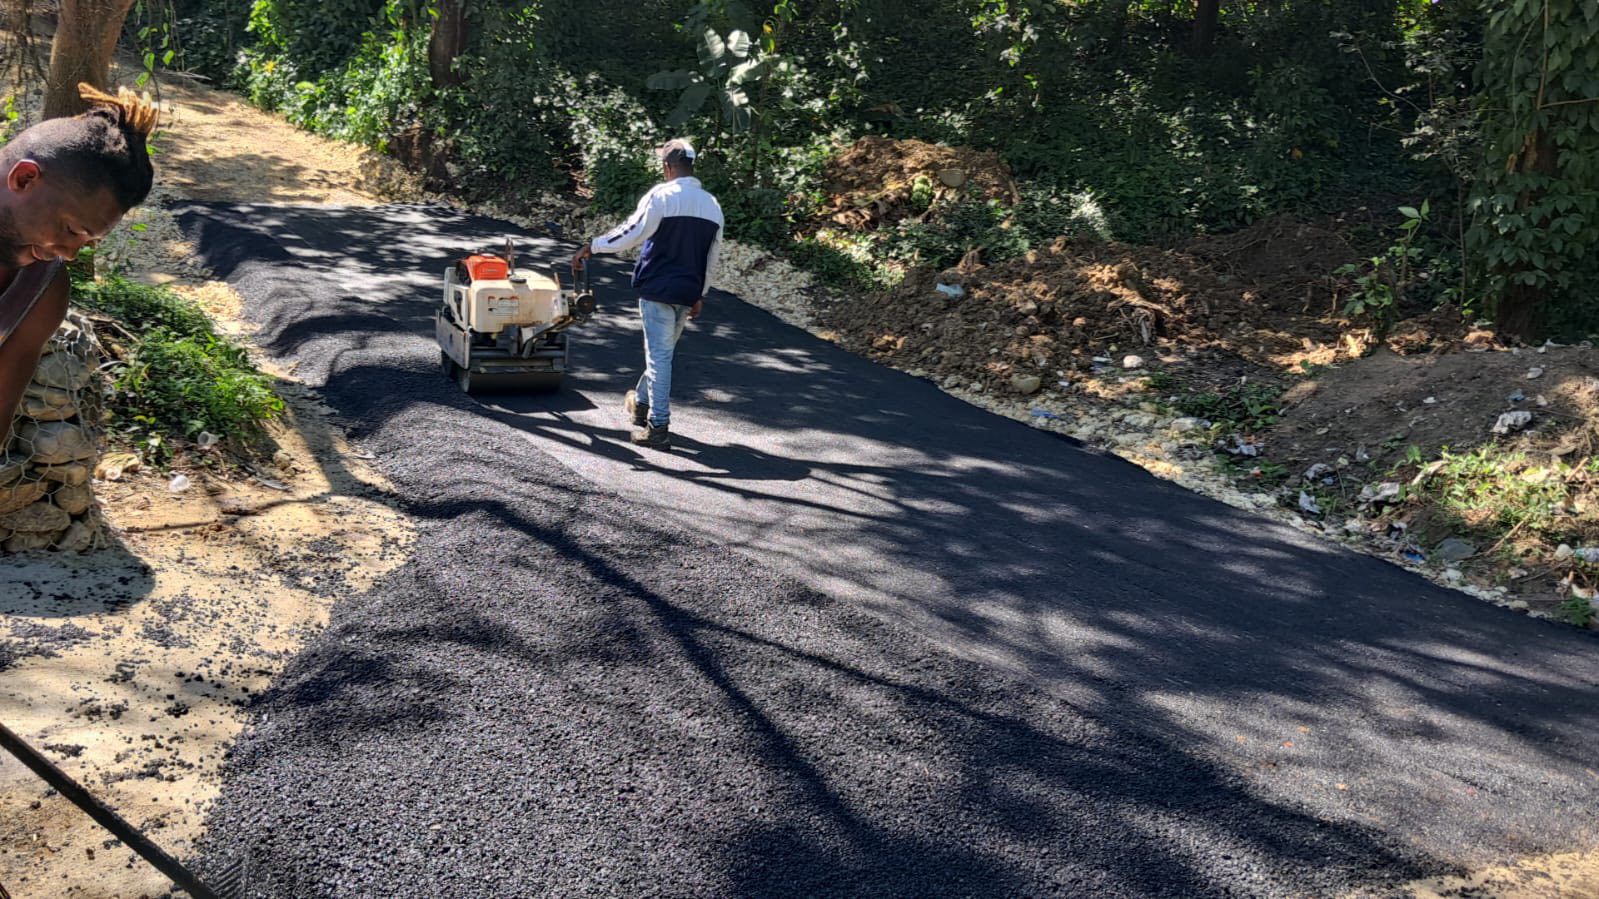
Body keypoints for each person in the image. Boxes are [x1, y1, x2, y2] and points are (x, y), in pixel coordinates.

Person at [0, 84, 157, 448]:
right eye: (70, 229)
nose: (69, 253)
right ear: (24, 179)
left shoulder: (41, 290)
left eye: (86, 241)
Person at [573, 138, 723, 449]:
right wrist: (701, 293)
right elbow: (712, 256)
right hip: (687, 290)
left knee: (659, 358)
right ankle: (640, 403)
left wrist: (594, 246)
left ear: (668, 167)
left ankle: (658, 426)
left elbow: (633, 231)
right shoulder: (712, 205)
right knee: (663, 353)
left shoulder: (662, 196)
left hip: (657, 288)